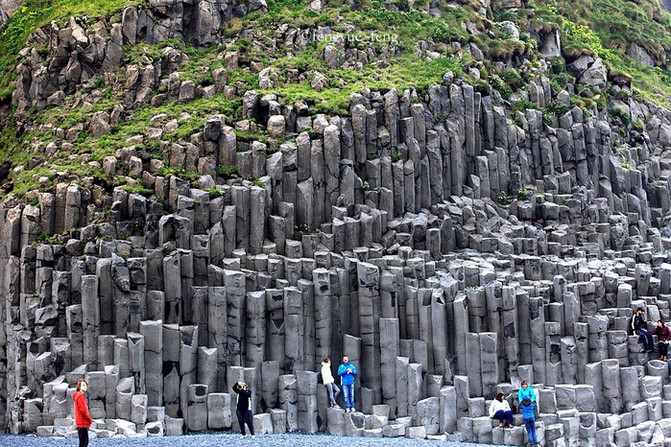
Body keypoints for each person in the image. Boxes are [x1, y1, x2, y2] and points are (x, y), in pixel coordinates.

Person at [73, 378, 92, 447]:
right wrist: (89, 418)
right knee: (84, 442)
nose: (85, 387)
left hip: (80, 421)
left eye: (86, 385)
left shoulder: (77, 395)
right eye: (83, 385)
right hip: (82, 421)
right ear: (79, 386)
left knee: (83, 441)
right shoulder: (80, 396)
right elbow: (83, 410)